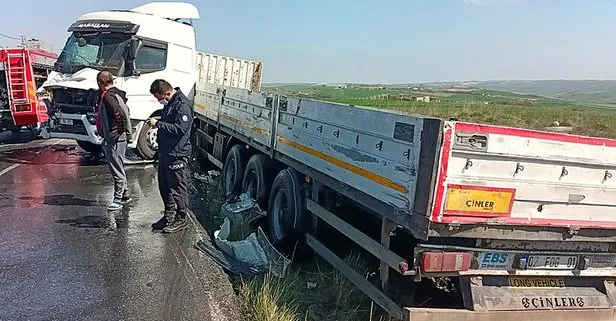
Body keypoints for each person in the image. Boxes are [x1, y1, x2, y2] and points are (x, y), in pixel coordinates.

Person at [147, 79, 193, 233]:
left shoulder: (182, 105)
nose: (160, 101)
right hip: (166, 151)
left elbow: (180, 129)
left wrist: (158, 124)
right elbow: (170, 122)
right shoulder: (171, 103)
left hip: (177, 153)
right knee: (164, 185)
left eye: (160, 97)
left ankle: (181, 218)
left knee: (177, 187)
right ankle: (169, 215)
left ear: (167, 93)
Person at [96, 71, 132, 211]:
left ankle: (117, 199)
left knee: (116, 168)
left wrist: (117, 132)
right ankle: (125, 194)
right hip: (116, 137)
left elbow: (120, 114)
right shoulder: (117, 94)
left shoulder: (108, 97)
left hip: (115, 139)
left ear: (100, 83)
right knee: (119, 166)